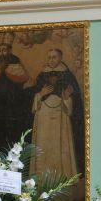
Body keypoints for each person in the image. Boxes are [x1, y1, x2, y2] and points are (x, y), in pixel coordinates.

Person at [28, 48, 84, 182]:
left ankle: (61, 179)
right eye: (49, 57)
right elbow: (34, 98)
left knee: (60, 146)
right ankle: (42, 179)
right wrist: (40, 94)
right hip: (43, 116)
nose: (51, 60)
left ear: (60, 58)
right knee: (43, 146)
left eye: (54, 57)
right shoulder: (41, 75)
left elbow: (73, 101)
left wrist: (66, 98)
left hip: (60, 115)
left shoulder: (68, 75)